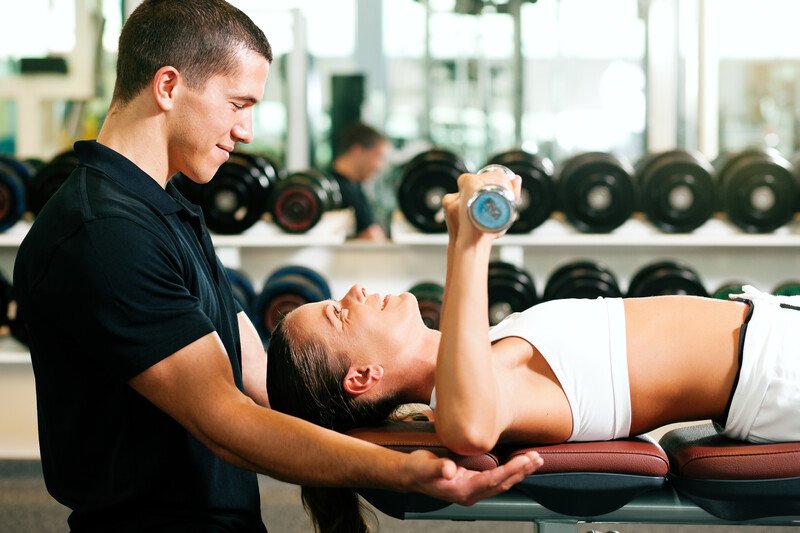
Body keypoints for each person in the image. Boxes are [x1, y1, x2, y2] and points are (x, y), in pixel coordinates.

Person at [12, 2, 543, 532]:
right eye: (237, 104)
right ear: (168, 86)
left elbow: (254, 371)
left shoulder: (160, 206)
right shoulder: (104, 232)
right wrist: (401, 471)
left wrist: (397, 404)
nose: (245, 130)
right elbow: (225, 420)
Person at [266, 167, 800, 530]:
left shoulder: (487, 353)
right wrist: (475, 241)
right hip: (779, 371)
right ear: (363, 377)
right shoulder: (484, 393)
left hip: (778, 337)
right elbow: (469, 428)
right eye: (339, 312)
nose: (355, 293)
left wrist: (461, 227)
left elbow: (463, 340)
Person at [329, 122, 390, 241]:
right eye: (379, 157)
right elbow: (372, 238)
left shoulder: (354, 187)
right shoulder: (340, 191)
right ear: (357, 151)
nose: (380, 166)